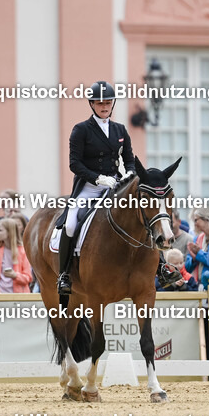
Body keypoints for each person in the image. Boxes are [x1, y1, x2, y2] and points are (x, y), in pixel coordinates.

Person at [54, 80, 135, 296]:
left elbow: (129, 159)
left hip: (115, 186)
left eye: (108, 102)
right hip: (89, 187)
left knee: (140, 214)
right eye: (100, 103)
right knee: (70, 224)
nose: (104, 107)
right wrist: (98, 178)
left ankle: (161, 266)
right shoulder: (81, 130)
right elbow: (74, 164)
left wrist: (129, 173)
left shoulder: (120, 129)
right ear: (92, 104)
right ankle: (64, 274)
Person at [0, 218, 33, 293]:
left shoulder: (23, 251)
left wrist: (15, 275)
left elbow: (28, 277)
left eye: (0, 230)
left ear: (9, 232)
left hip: (19, 296)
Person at [186, 208, 209, 289]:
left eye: (196, 220)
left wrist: (199, 253)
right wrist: (193, 259)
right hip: (199, 284)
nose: (195, 224)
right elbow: (187, 267)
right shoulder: (197, 239)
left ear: (206, 219)